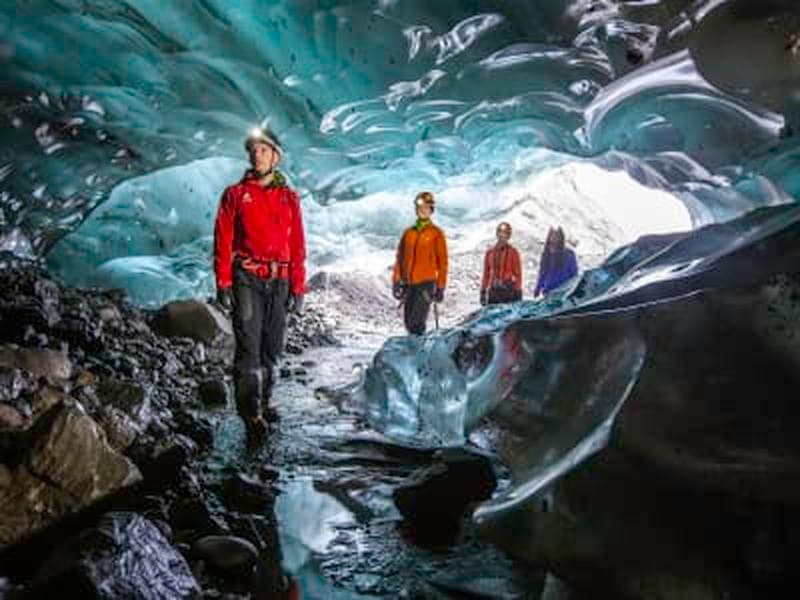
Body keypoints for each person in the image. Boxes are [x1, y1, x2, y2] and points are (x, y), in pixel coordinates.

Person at [214, 127, 306, 441]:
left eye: (263, 150)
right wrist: (223, 281)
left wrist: (298, 287)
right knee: (249, 347)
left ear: (275, 156)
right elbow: (223, 240)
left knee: (273, 349)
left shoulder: (289, 199)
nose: (257, 155)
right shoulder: (235, 195)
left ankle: (266, 403)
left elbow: (298, 247)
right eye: (253, 150)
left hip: (279, 281)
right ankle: (250, 413)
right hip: (246, 279)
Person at [392, 191, 448, 335]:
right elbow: (400, 258)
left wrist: (440, 287)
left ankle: (418, 350)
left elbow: (443, 263)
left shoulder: (436, 234)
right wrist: (396, 281)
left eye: (426, 207)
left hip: (426, 284)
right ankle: (414, 350)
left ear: (431, 210)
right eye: (420, 207)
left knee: (416, 322)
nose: (423, 210)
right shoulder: (408, 233)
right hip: (408, 284)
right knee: (408, 321)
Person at [480, 221, 522, 305]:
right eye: (500, 232)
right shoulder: (490, 252)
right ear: (497, 234)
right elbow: (486, 274)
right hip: (494, 291)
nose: (502, 235)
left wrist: (518, 291)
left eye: (505, 233)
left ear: (508, 235)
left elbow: (518, 274)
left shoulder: (513, 252)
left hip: (508, 290)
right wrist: (483, 291)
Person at [534, 226, 578, 297]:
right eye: (552, 235)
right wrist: (537, 289)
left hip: (563, 291)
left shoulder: (569, 254)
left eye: (556, 236)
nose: (554, 238)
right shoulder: (546, 255)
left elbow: (574, 274)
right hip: (548, 292)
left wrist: (572, 289)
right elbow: (542, 274)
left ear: (561, 238)